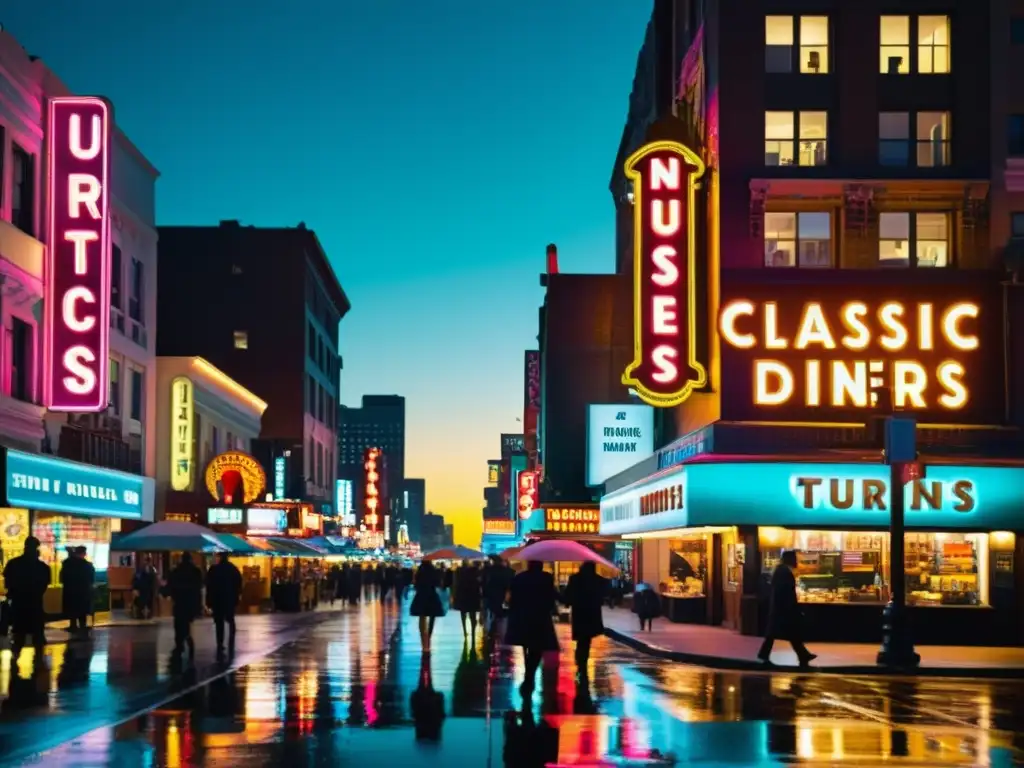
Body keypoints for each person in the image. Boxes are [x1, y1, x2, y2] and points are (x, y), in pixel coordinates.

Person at [505, 560, 559, 697]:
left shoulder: (519, 578)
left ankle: (529, 672)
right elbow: (551, 596)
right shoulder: (546, 577)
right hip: (540, 616)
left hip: (522, 616)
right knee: (538, 647)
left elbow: (512, 597)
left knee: (526, 643)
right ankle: (530, 673)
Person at [758, 550, 816, 667]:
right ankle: (802, 655)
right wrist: (792, 606)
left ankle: (802, 655)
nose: (796, 561)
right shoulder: (784, 572)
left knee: (781, 633)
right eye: (794, 558)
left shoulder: (780, 570)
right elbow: (787, 592)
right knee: (788, 633)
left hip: (779, 608)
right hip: (783, 609)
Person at [2, 537, 51, 657]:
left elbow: (8, 584)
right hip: (35, 604)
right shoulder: (43, 567)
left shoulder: (13, 564)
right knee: (37, 636)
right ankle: (38, 666)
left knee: (19, 634)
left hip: (19, 605)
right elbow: (44, 586)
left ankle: (15, 667)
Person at [563, 561, 607, 677]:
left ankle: (580, 658)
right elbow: (604, 593)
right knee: (587, 637)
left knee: (581, 636)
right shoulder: (598, 580)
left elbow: (569, 593)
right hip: (592, 612)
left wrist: (567, 602)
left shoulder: (575, 578)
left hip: (579, 611)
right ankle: (582, 658)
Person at [162, 553, 204, 660]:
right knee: (187, 624)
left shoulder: (176, 572)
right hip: (191, 603)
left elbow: (170, 586)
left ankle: (180, 644)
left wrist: (165, 593)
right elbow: (200, 587)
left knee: (178, 625)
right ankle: (187, 641)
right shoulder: (196, 572)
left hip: (179, 602)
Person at [206, 552, 243, 657]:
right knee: (230, 620)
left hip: (217, 599)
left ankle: (220, 643)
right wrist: (237, 596)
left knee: (219, 622)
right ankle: (231, 640)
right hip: (229, 598)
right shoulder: (232, 569)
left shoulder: (214, 570)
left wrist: (209, 601)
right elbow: (239, 583)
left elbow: (209, 585)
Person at [60, 546, 95, 638]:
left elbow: (62, 578)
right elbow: (91, 579)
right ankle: (82, 628)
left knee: (72, 611)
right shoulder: (87, 565)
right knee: (82, 612)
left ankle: (73, 626)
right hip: (83, 593)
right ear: (84, 553)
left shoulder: (67, 564)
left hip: (70, 592)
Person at [410, 561, 444, 652]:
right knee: (432, 616)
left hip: (421, 595)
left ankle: (423, 640)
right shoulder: (434, 571)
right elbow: (438, 583)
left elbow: (415, 584)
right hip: (431, 595)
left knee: (422, 617)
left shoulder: (420, 570)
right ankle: (429, 637)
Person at [484, 557, 514, 638]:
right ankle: (502, 634)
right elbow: (510, 586)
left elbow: (487, 585)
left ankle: (494, 630)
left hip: (493, 597)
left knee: (495, 614)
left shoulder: (489, 571)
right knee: (503, 615)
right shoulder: (508, 571)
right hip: (504, 597)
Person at [454, 560, 482, 639]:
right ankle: (473, 631)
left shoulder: (458, 571)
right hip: (472, 596)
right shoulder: (475, 572)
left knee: (463, 614)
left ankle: (465, 630)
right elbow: (478, 584)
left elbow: (456, 584)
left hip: (462, 595)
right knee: (472, 615)